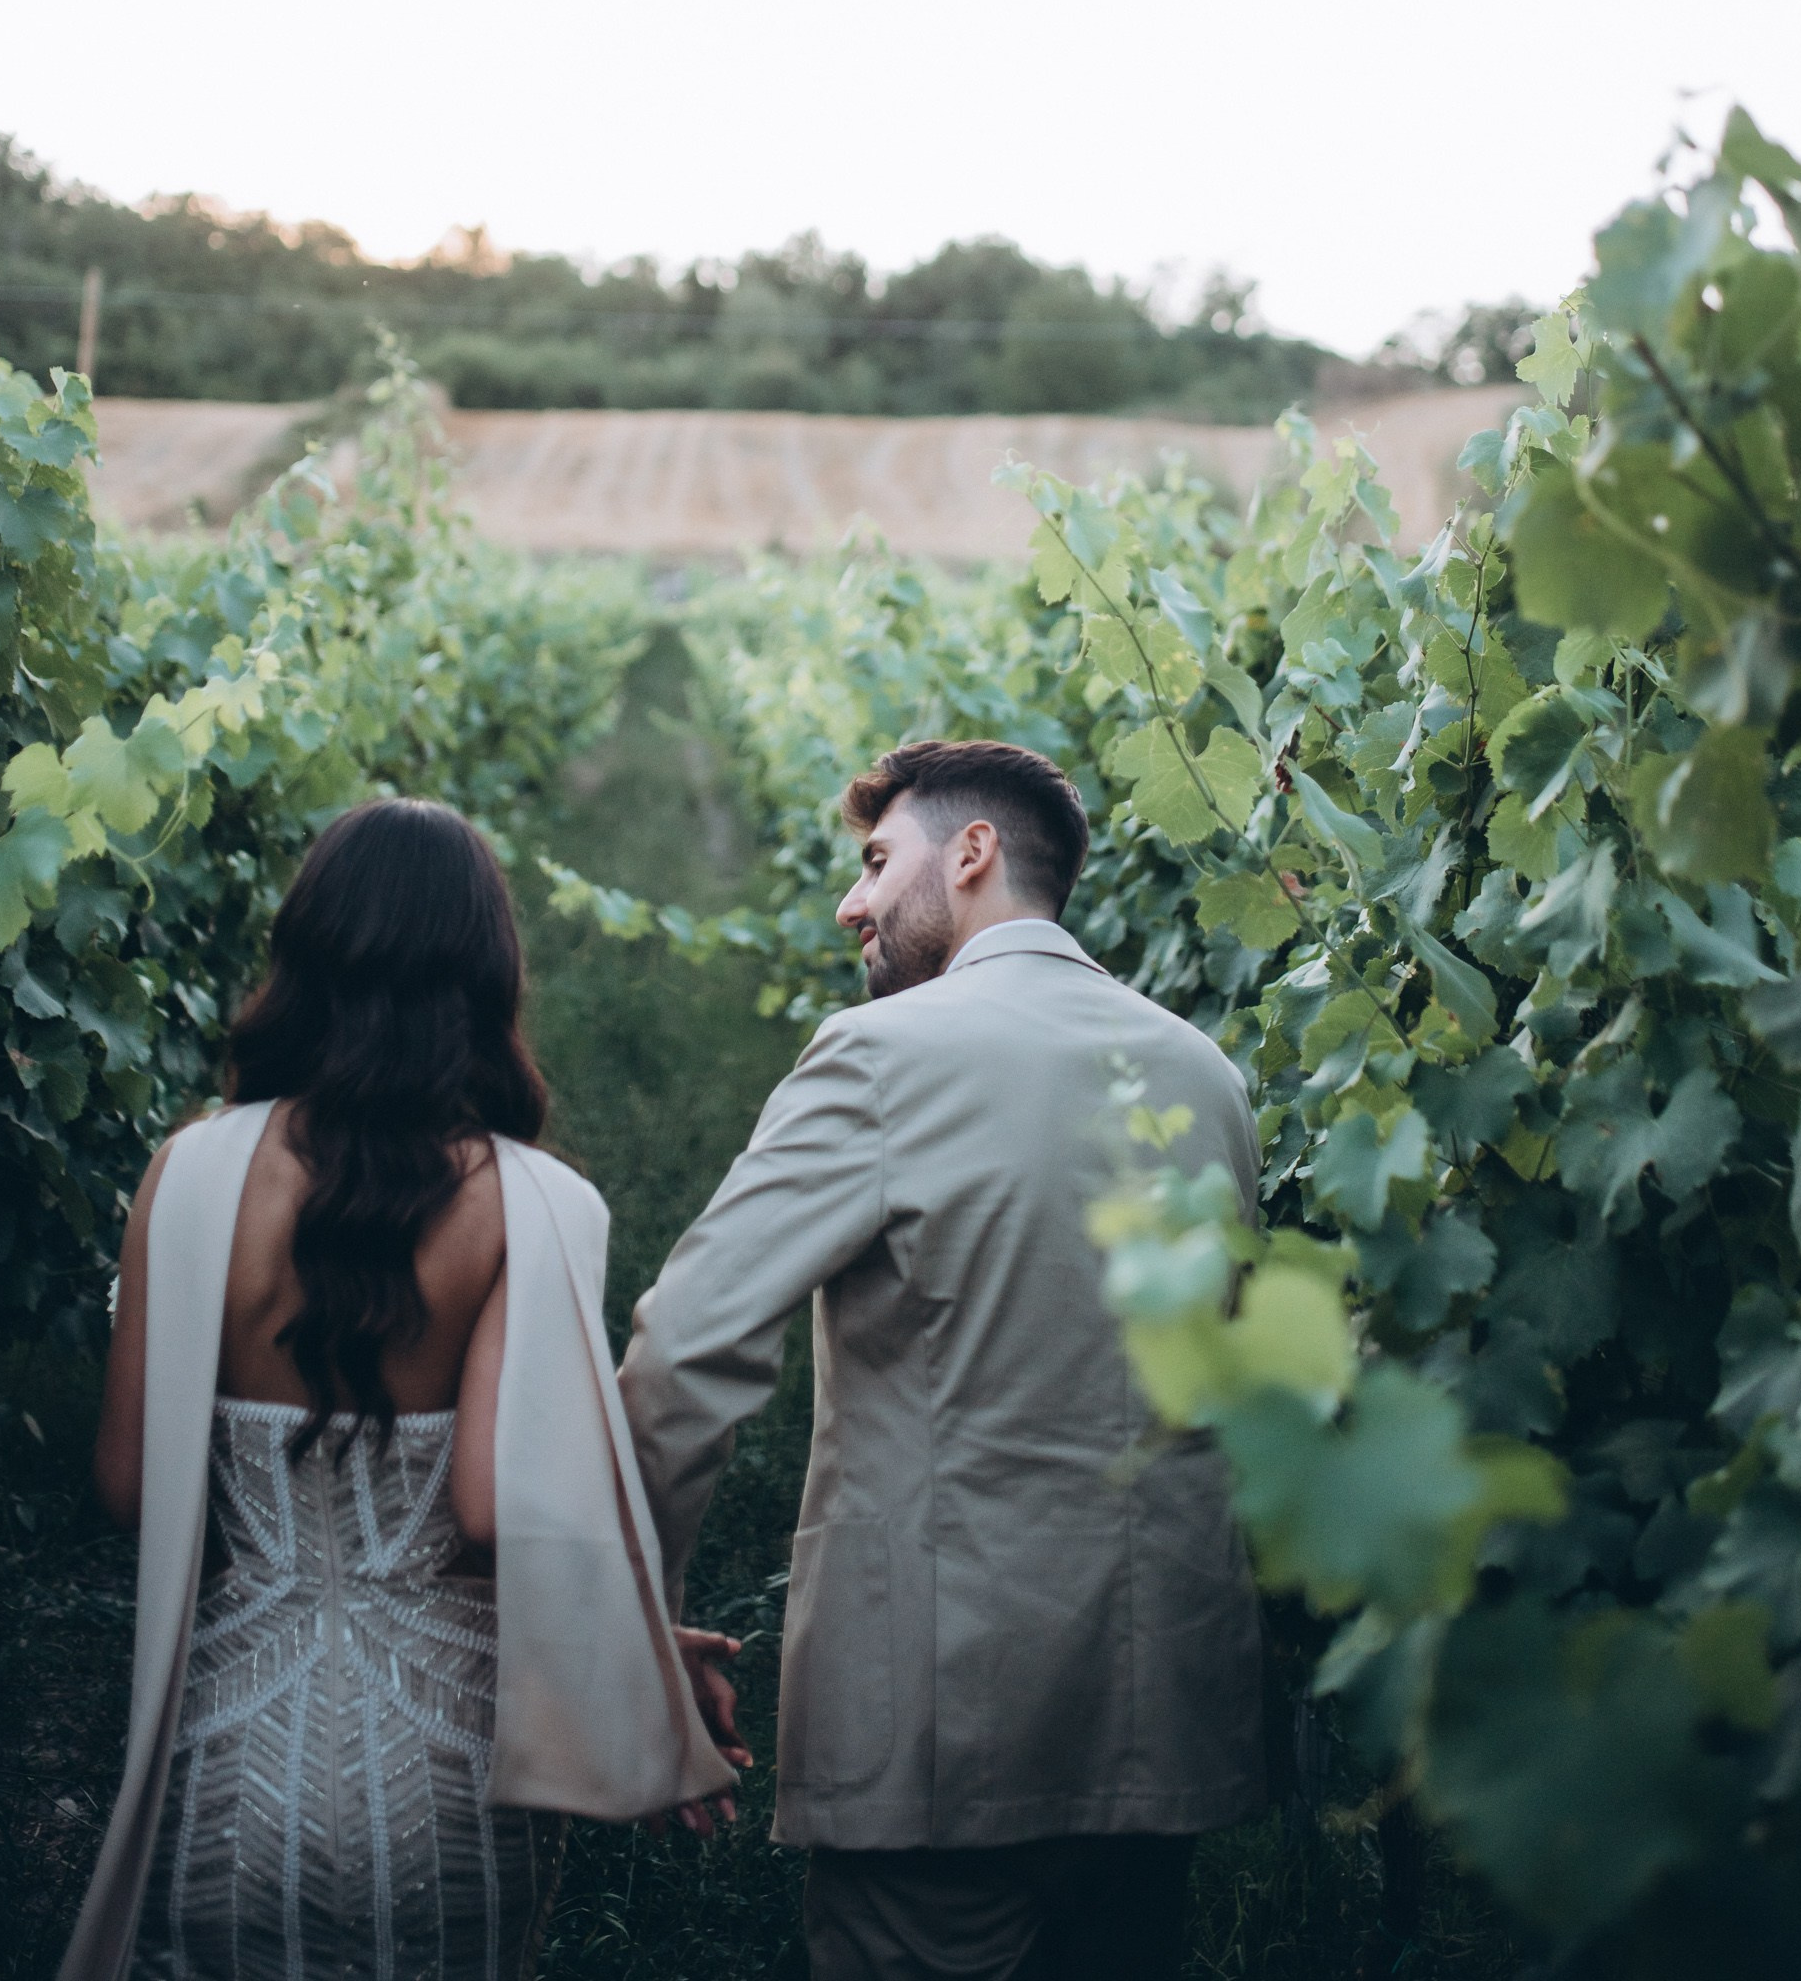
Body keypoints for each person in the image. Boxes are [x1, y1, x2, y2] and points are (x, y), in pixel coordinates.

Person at [61, 796, 744, 1981]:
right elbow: (491, 1508)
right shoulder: (535, 1203)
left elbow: (128, 1483)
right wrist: (637, 1647)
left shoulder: (188, 1173)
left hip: (226, 1755)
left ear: (305, 952)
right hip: (447, 1778)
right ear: (487, 974)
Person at [619, 738, 1265, 1981]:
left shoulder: (880, 1056)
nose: (851, 901)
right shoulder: (1206, 1074)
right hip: (1169, 1716)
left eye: (874, 862)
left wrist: (627, 1618)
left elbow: (688, 1349)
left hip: (943, 1716)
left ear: (971, 854)